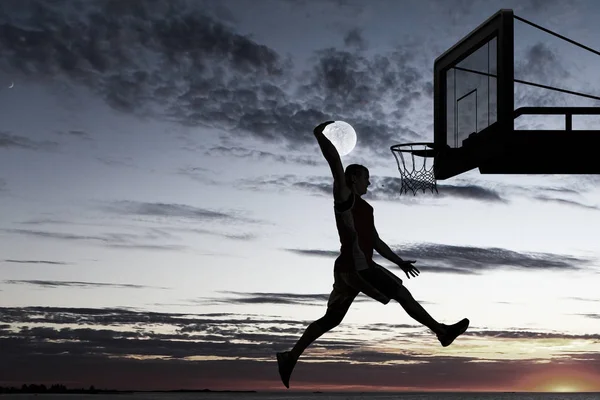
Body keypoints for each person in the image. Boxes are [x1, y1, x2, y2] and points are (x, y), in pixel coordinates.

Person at [276, 121, 469, 389]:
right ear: (354, 178)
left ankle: (290, 356)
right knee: (402, 294)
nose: (370, 181)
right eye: (366, 177)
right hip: (358, 268)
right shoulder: (345, 197)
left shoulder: (367, 208)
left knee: (331, 319)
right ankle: (442, 332)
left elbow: (376, 241)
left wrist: (399, 261)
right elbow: (334, 162)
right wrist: (319, 135)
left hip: (347, 269)